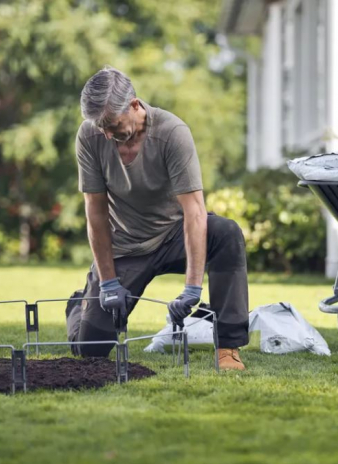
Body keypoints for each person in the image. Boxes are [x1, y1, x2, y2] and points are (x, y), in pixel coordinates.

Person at [67, 66, 249, 370]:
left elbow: (194, 211)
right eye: (101, 128)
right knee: (90, 351)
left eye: (112, 124)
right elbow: (96, 212)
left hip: (174, 235)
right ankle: (79, 303)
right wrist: (109, 282)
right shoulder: (90, 136)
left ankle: (228, 348)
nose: (107, 135)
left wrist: (192, 289)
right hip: (126, 246)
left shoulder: (171, 133)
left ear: (135, 105)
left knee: (226, 233)